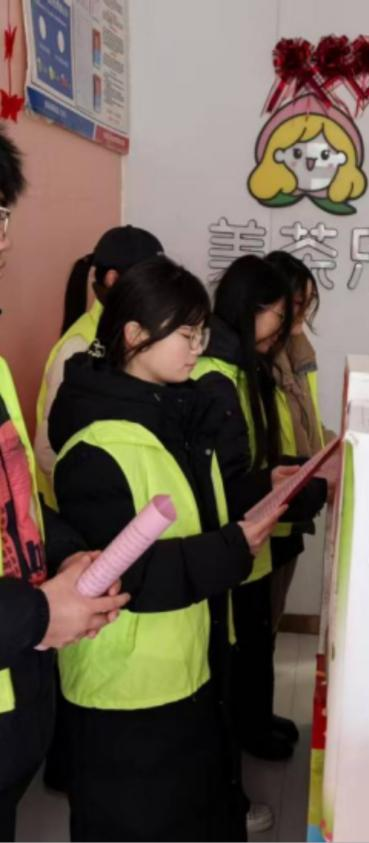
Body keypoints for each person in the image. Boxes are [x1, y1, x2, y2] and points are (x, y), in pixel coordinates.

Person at [47, 256, 285, 840]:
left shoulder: (175, 412)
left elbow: (201, 508)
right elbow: (123, 577)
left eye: (202, 333)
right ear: (134, 335)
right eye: (186, 334)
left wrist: (272, 489)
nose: (198, 348)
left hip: (186, 665)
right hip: (123, 691)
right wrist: (230, 550)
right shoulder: (95, 444)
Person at [0, 127, 129, 843]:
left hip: (16, 705)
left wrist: (69, 554)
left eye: (3, 217)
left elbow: (17, 498)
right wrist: (36, 613)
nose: (4, 243)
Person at [193, 254, 328, 776]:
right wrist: (286, 482)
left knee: (256, 636)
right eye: (285, 310)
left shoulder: (247, 363)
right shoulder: (218, 375)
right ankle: (237, 755)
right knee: (240, 647)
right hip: (238, 536)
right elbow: (226, 481)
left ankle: (255, 723)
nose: (293, 320)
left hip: (260, 527)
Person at [34, 226, 164, 499]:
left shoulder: (130, 336)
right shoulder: (80, 346)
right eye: (147, 281)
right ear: (113, 279)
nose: (156, 293)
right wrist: (96, 499)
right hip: (77, 510)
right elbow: (47, 449)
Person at [262, 251, 335, 638]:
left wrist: (339, 448)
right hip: (269, 512)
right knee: (258, 628)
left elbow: (307, 424)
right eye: (296, 301)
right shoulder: (258, 362)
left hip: (294, 505)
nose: (303, 311)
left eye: (308, 302)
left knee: (269, 622)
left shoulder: (298, 351)